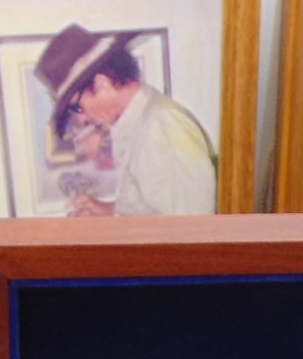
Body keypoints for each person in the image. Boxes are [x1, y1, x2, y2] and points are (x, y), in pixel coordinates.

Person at [35, 24, 216, 216]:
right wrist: (106, 211)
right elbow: (155, 211)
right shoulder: (139, 124)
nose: (80, 119)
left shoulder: (160, 127)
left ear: (101, 85)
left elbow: (190, 228)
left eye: (77, 107)